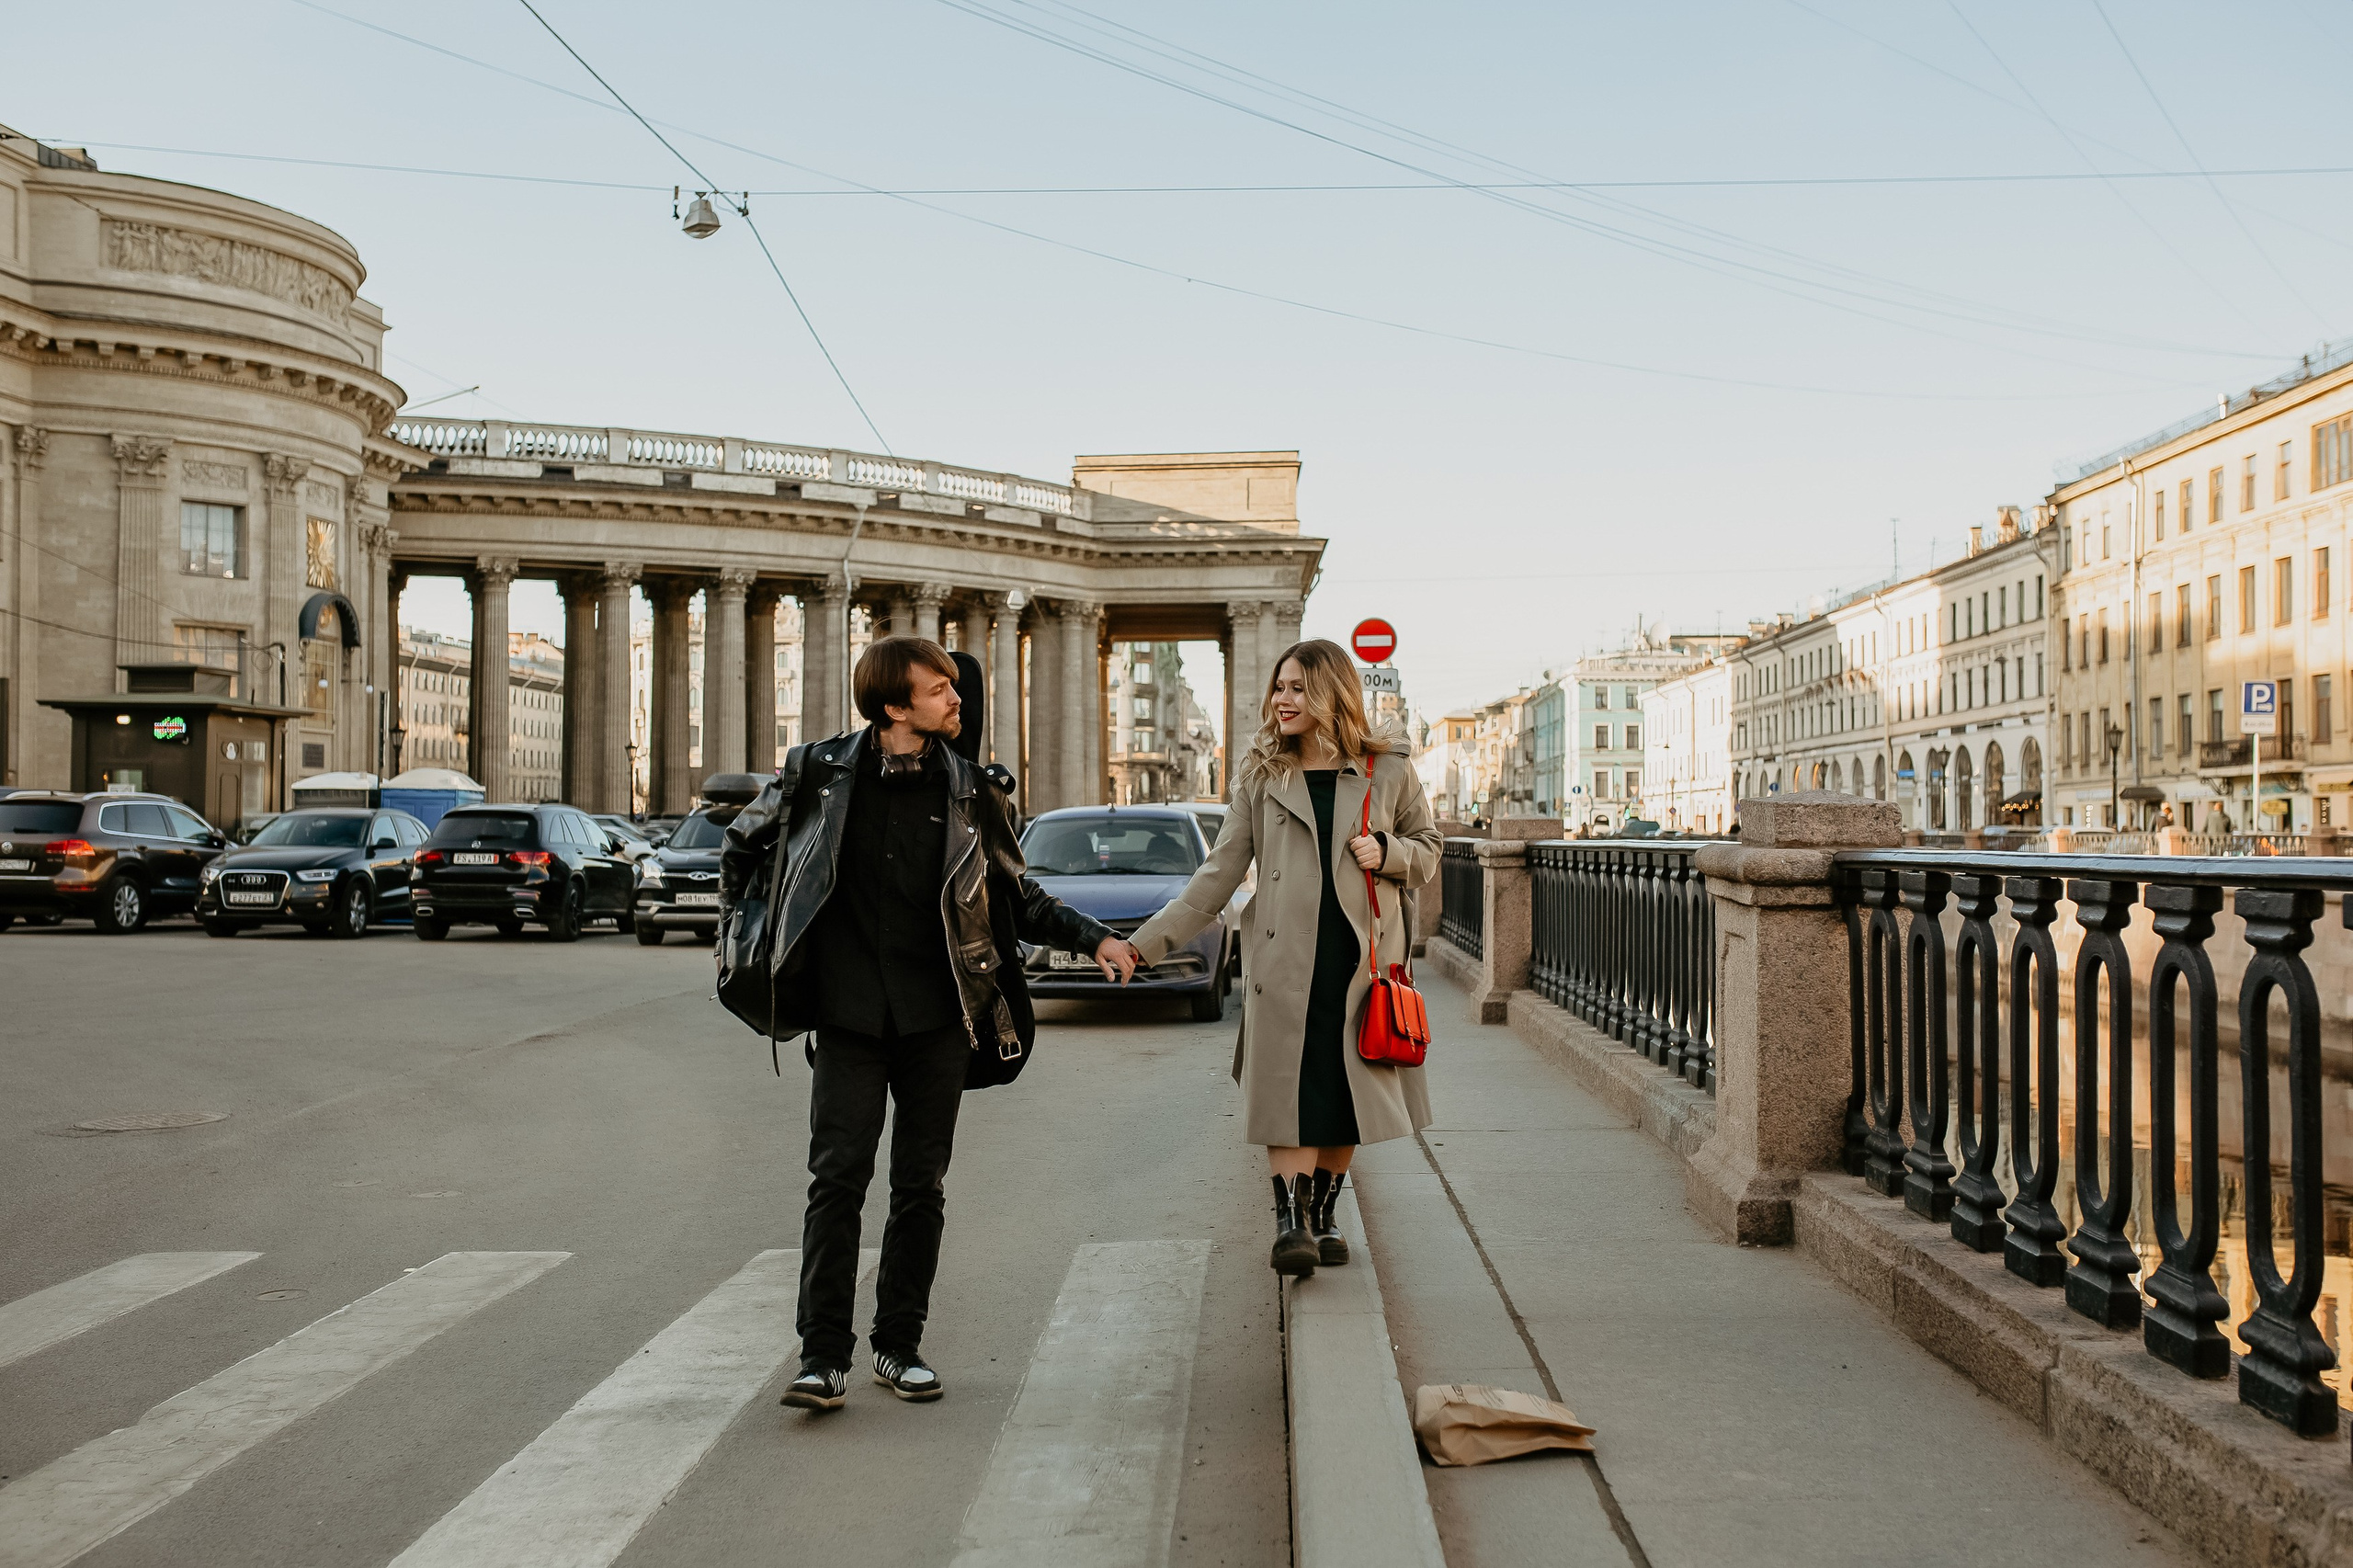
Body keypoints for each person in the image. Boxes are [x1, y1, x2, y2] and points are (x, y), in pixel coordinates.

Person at [720, 636, 1139, 1412]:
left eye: (955, 686)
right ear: (892, 705)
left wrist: (1097, 938)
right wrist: (743, 939)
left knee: (920, 1185)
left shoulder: (972, 789)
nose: (957, 698)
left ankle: (898, 1346)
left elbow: (1018, 896)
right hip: (846, 1015)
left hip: (940, 1019)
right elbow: (744, 844)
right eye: (939, 688)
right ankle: (820, 1357)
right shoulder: (817, 772)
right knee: (836, 1180)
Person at [1129, 638, 1440, 1277]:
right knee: (1286, 1092)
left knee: (1347, 1092)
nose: (1282, 700)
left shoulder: (1389, 771)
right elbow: (1217, 876)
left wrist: (1389, 850)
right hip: (1282, 963)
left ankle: (1324, 1212)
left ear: (1332, 692)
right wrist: (1143, 945)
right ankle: (1289, 1223)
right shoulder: (1262, 774)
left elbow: (1429, 849)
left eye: (1297, 687)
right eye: (1279, 687)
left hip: (1362, 966)